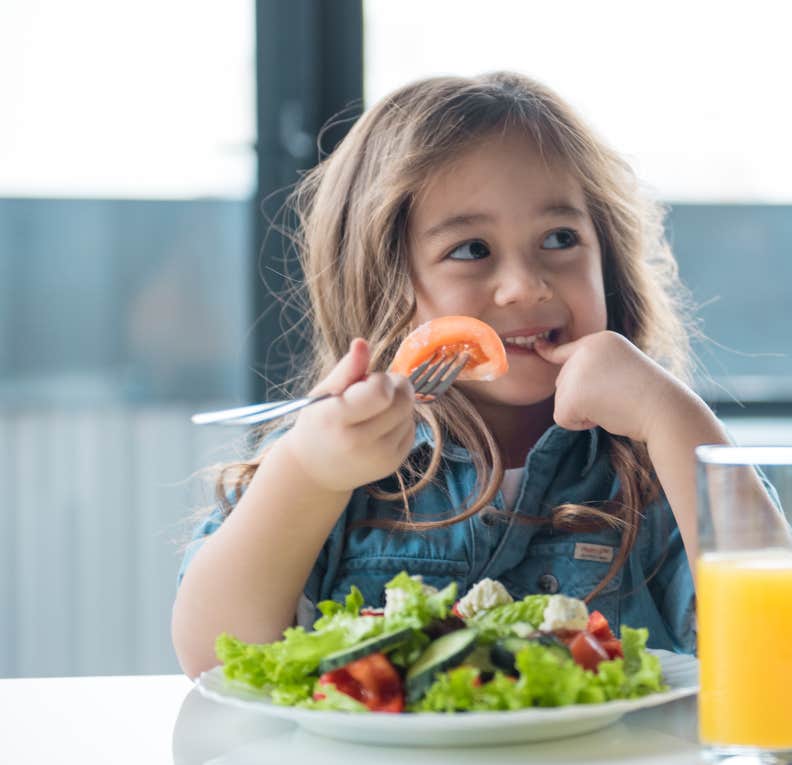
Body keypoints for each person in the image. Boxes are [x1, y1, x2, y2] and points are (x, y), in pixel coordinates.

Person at [171, 72, 729, 678]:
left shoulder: (653, 464)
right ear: (383, 284)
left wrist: (677, 423)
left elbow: (773, 640)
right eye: (471, 250)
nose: (525, 286)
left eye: (560, 238)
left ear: (610, 263)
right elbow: (215, 658)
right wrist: (307, 474)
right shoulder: (331, 457)